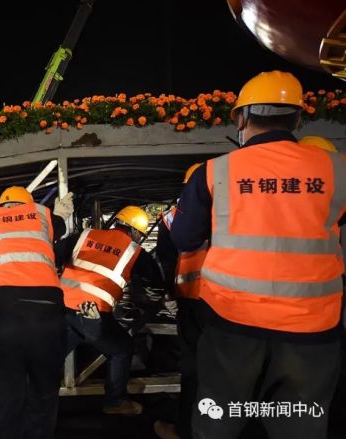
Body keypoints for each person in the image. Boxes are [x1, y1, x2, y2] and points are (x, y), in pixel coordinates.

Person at [171, 71, 345, 439]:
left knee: (219, 420)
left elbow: (184, 238)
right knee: (299, 424)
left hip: (232, 324)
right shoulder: (337, 170)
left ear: (241, 118)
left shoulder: (214, 172)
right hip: (312, 328)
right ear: (298, 119)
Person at [0, 185, 73, 439]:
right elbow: (58, 229)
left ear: (1, 205)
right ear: (28, 203)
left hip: (0, 312)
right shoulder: (42, 214)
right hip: (45, 314)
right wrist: (60, 214)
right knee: (43, 393)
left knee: (3, 397)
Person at [61, 205, 162, 416]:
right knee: (122, 348)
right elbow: (155, 281)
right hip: (92, 314)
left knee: (51, 356)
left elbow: (55, 255)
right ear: (135, 232)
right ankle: (115, 401)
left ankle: (28, 394)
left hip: (63, 308)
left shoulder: (85, 235)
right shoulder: (134, 251)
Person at [154, 163, 206, 439]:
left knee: (194, 369)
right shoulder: (235, 212)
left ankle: (186, 429)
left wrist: (169, 294)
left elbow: (165, 260)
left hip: (191, 298)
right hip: (231, 299)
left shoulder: (172, 218)